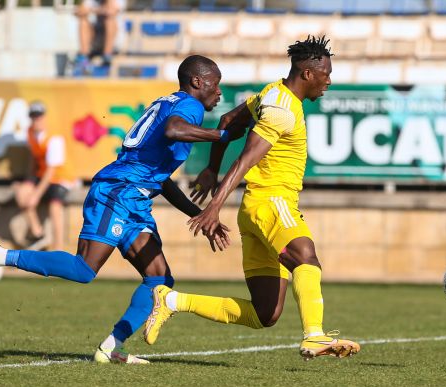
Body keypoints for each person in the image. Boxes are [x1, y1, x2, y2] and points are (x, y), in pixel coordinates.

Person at [0, 55, 244, 365]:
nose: (218, 92)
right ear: (197, 82)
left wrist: (196, 213)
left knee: (159, 280)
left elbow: (160, 179)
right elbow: (174, 130)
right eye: (215, 85)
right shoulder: (188, 106)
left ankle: (110, 347)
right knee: (84, 269)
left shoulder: (171, 102)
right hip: (119, 192)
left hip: (133, 197)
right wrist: (222, 136)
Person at [143, 36, 361, 360]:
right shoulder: (282, 110)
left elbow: (228, 122)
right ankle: (314, 336)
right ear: (307, 74)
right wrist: (214, 206)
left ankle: (172, 301)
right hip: (271, 202)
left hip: (256, 210)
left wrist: (210, 169)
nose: (328, 82)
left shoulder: (270, 93)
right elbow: (246, 159)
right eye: (325, 75)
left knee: (266, 314)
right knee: (305, 256)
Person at [13, 101, 74, 251]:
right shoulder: (30, 132)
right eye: (33, 117)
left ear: (44, 117)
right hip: (42, 175)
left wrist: (36, 194)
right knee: (21, 192)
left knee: (54, 206)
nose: (36, 120)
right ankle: (38, 234)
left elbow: (51, 170)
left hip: (61, 177)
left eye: (39, 117)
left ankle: (58, 247)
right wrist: (28, 182)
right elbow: (34, 159)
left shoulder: (54, 137)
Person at [74, 0, 124, 72]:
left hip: (114, 41)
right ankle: (83, 57)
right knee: (83, 21)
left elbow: (111, 11)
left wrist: (92, 10)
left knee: (110, 20)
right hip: (94, 38)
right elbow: (80, 11)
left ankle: (107, 56)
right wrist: (101, 9)